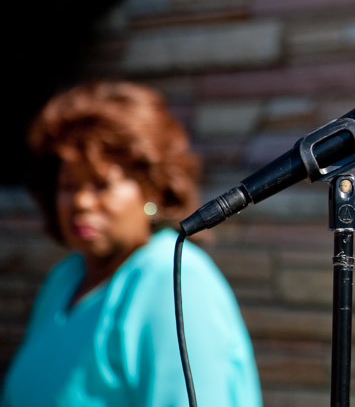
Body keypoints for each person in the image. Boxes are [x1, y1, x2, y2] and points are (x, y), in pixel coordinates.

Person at [1, 81, 262, 407]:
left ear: (150, 189)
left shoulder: (173, 280)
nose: (80, 201)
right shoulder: (64, 279)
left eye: (101, 184)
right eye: (69, 185)